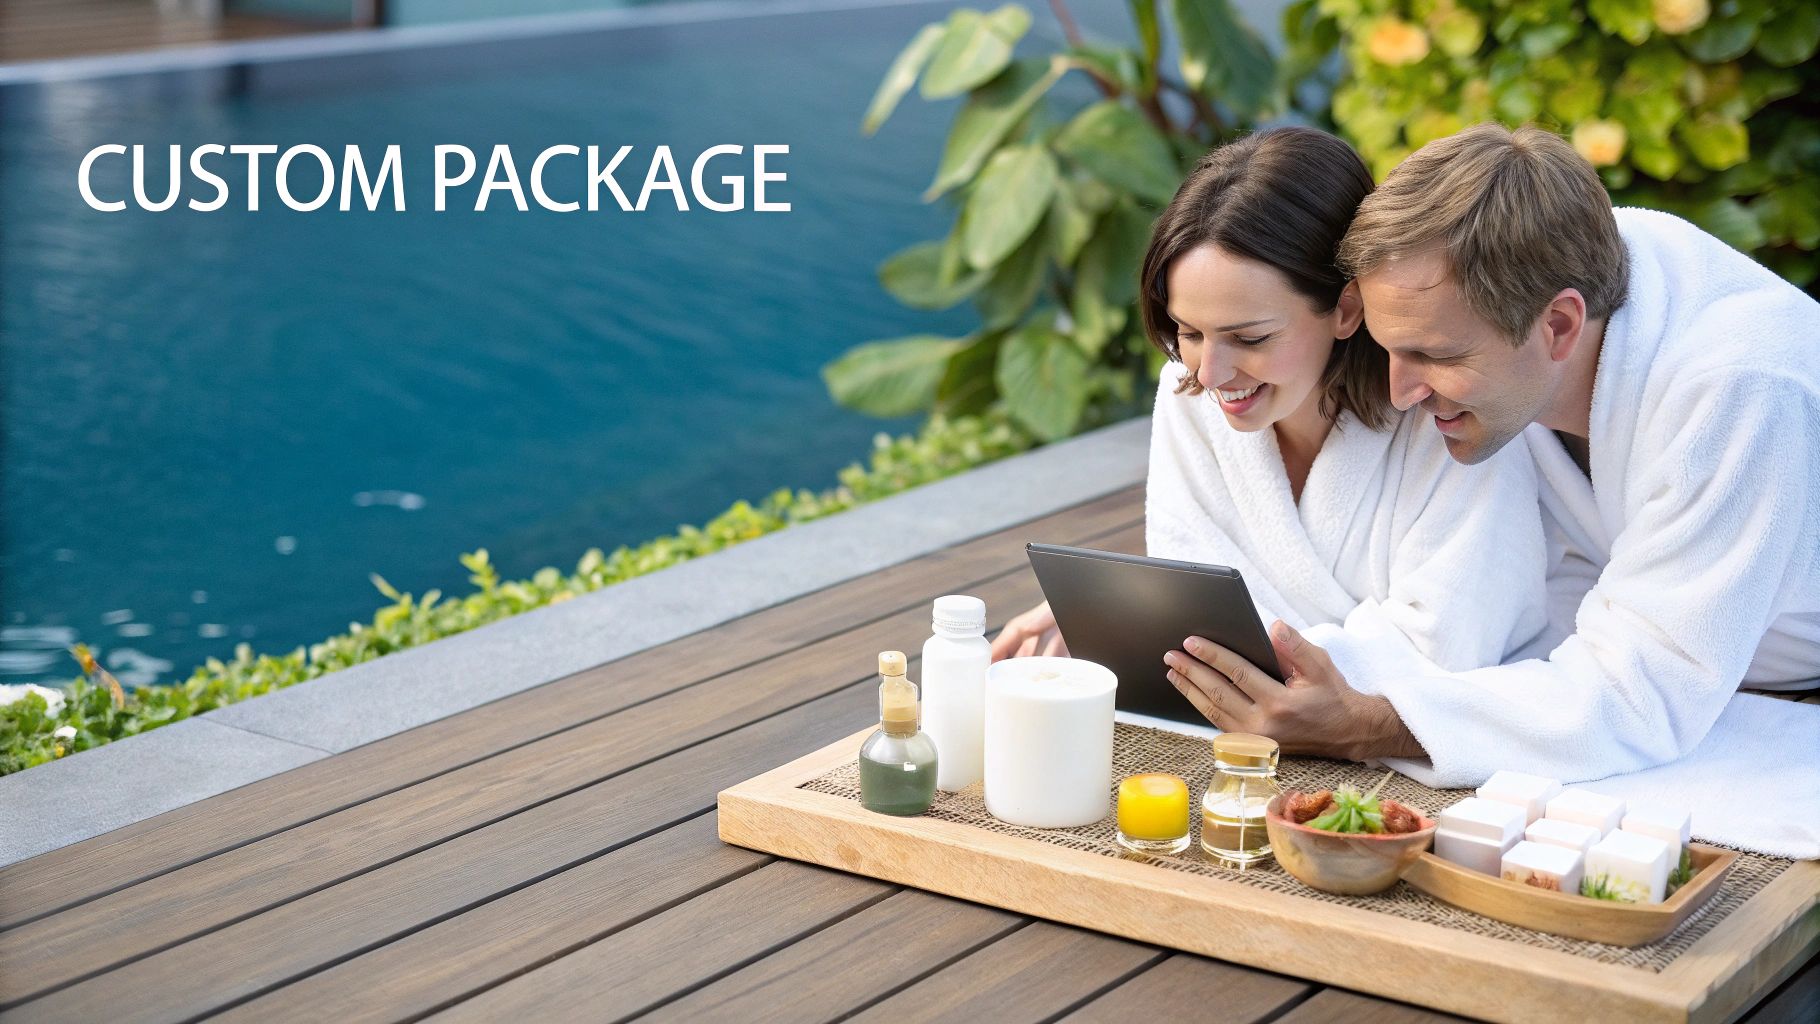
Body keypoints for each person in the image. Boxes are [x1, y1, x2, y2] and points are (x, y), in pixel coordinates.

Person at [1160, 124, 1820, 857]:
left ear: (1560, 324)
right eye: (1386, 349)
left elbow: (1644, 688)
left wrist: (1365, 722)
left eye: (1433, 356)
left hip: (1785, 677)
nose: (1399, 394)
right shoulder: (1541, 274)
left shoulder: (1739, 392)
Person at [991, 126, 1552, 761]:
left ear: (1346, 310)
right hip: (1247, 735)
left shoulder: (1447, 411)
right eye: (1189, 331)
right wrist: (1119, 621)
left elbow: (1450, 643)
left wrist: (1207, 659)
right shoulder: (1188, 389)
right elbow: (1195, 592)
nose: (1210, 373)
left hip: (1444, 738)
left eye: (1250, 338)